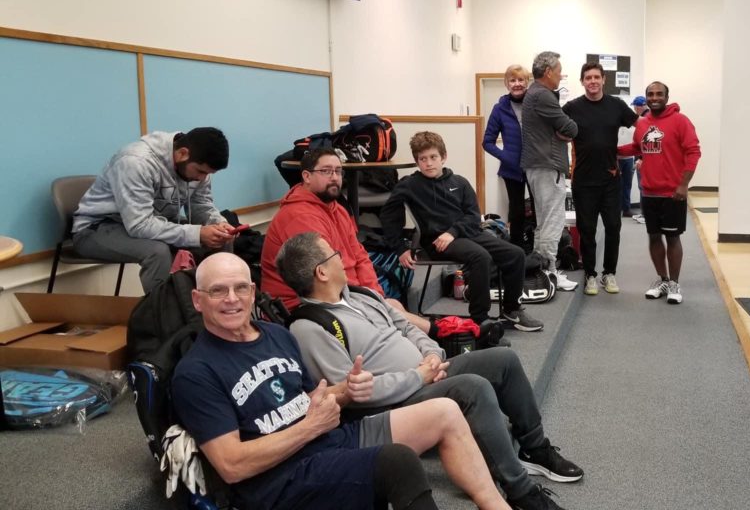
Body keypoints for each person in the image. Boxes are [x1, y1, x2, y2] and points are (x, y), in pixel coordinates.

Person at [171, 253, 510, 510]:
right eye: (218, 291)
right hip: (280, 477)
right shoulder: (196, 372)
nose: (232, 299)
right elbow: (232, 465)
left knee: (445, 412)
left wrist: (348, 389)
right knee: (397, 463)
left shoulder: (276, 334)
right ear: (198, 300)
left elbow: (308, 399)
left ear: (253, 291)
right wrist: (310, 427)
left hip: (326, 439)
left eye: (240, 288)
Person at [278, 233, 582, 510]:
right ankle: (520, 492)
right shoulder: (309, 327)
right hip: (393, 403)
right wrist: (418, 377)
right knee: (472, 388)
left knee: (504, 360)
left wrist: (432, 355)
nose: (341, 256)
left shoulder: (360, 295)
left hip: (426, 371)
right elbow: (353, 393)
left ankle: (535, 448)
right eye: (334, 254)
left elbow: (407, 327)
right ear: (321, 272)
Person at [381, 132, 543, 332]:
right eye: (423, 159)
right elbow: (389, 215)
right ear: (417, 161)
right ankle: (480, 319)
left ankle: (512, 309)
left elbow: (473, 216)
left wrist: (453, 231)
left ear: (443, 157)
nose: (428, 163)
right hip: (437, 242)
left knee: (516, 253)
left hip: (465, 233)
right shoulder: (409, 185)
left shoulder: (459, 182)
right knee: (480, 257)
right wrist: (400, 248)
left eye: (433, 157)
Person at [261, 147, 433, 333]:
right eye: (326, 171)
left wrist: (375, 295)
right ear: (307, 176)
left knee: (393, 307)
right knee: (396, 318)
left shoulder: (337, 209)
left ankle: (437, 335)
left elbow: (360, 256)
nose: (334, 177)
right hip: (303, 306)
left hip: (337, 294)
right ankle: (438, 332)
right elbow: (326, 277)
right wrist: (369, 302)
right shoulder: (300, 217)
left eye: (338, 171)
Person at [72, 128, 234, 293]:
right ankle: (162, 308)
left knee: (221, 240)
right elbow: (139, 225)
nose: (202, 178)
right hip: (96, 228)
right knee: (157, 252)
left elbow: (201, 204)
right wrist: (197, 234)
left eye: (208, 174)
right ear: (182, 154)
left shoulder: (197, 163)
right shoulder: (135, 162)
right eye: (201, 171)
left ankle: (216, 303)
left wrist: (218, 223)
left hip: (151, 222)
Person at [618, 82, 701, 304]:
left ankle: (674, 283)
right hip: (649, 192)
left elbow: (693, 151)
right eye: (650, 94)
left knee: (672, 238)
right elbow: (638, 148)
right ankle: (662, 279)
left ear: (666, 97)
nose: (654, 98)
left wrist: (684, 184)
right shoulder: (643, 123)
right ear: (646, 98)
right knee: (654, 237)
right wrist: (612, 151)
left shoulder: (680, 121)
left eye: (659, 94)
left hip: (672, 193)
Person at [562, 63, 638, 296]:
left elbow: (641, 125)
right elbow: (555, 131)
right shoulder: (571, 107)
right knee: (587, 230)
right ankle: (590, 275)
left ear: (604, 79)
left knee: (614, 227)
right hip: (583, 180)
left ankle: (609, 273)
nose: (593, 81)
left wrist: (643, 153)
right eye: (588, 78)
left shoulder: (616, 105)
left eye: (596, 77)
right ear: (582, 81)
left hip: (610, 178)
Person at [519, 51, 579, 291]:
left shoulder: (533, 93)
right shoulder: (543, 95)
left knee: (544, 222)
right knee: (553, 221)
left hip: (539, 165)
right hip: (547, 165)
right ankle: (550, 271)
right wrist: (564, 132)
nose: (561, 76)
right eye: (559, 71)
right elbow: (571, 128)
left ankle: (541, 270)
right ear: (548, 72)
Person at [483, 64, 531, 251]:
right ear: (506, 83)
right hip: (512, 170)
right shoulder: (499, 109)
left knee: (539, 211)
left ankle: (536, 249)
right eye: (512, 80)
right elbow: (487, 142)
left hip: (536, 166)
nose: (517, 84)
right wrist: (507, 157)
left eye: (521, 80)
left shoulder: (535, 104)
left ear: (527, 82)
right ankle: (518, 251)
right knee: (517, 212)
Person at [623, 96, 649, 220]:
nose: (634, 109)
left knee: (643, 186)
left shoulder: (645, 120)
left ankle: (645, 214)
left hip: (643, 160)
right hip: (641, 158)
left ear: (639, 107)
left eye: (635, 107)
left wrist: (641, 158)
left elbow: (645, 142)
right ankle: (644, 213)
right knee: (642, 186)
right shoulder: (646, 118)